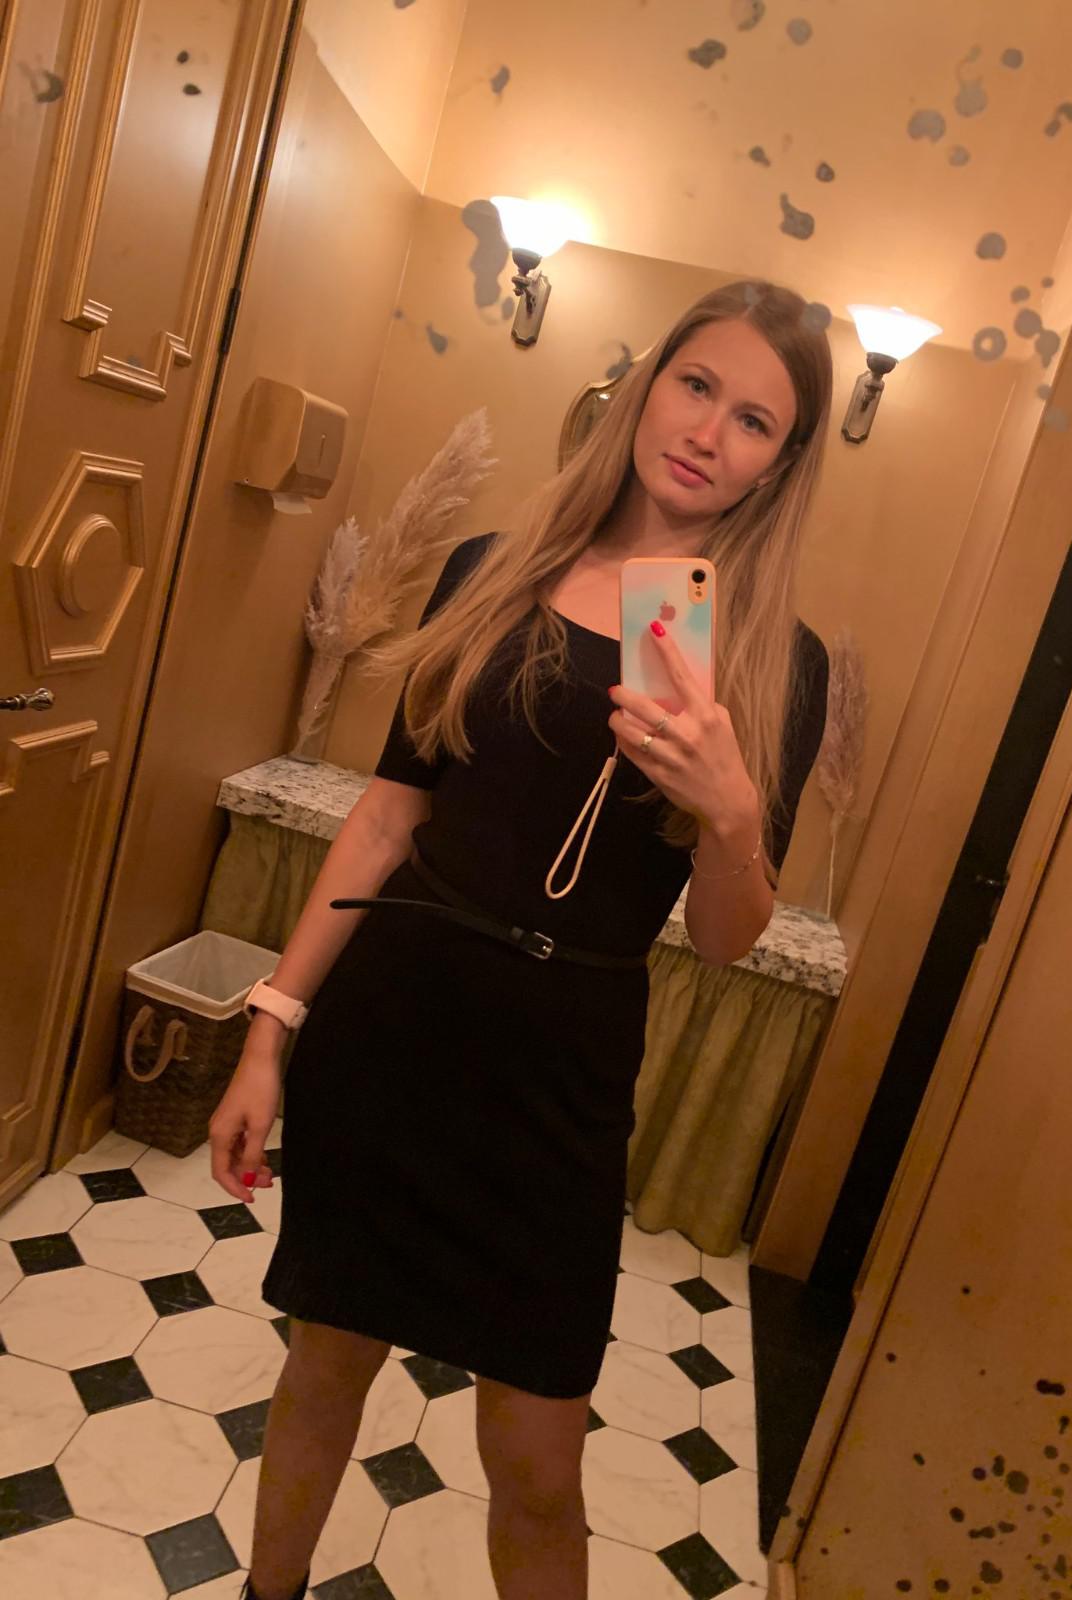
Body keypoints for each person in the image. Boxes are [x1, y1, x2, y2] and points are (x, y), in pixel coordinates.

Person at [208, 278, 833, 1600]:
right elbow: (388, 819)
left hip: (561, 1078)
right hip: (395, 1028)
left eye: (755, 421)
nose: (708, 431)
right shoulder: (495, 570)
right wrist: (271, 1028)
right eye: (697, 385)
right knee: (324, 1367)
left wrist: (732, 818)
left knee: (539, 1462)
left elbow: (726, 942)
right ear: (648, 386)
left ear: (781, 464)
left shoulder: (775, 661)